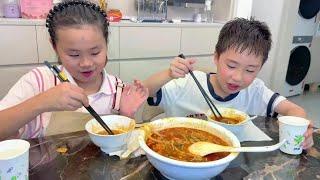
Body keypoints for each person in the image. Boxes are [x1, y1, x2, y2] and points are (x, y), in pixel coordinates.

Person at [143, 18, 313, 149]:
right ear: (216, 57)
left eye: (250, 70)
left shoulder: (256, 91)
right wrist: (169, 74)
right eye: (231, 66)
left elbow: (294, 110)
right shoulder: (187, 84)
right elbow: (147, 90)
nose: (238, 77)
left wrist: (302, 131)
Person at [0, 0, 148, 140]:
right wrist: (42, 102)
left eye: (95, 52)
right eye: (74, 54)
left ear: (106, 43)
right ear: (55, 46)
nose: (86, 63)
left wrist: (126, 115)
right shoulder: (39, 81)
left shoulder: (116, 88)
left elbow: (120, 147)